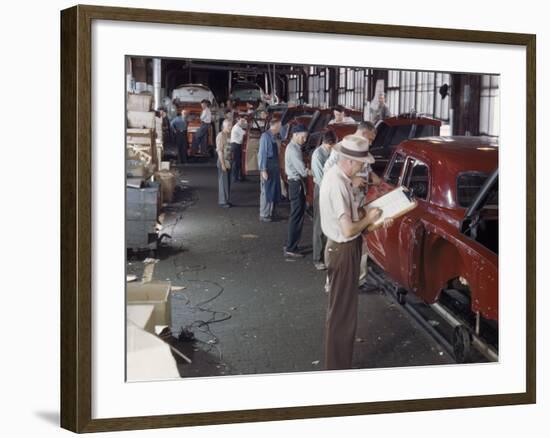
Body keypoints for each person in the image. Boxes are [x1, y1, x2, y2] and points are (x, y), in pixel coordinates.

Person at [320, 135, 392, 370]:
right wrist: (369, 218)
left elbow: (353, 220)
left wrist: (374, 219)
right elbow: (349, 228)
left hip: (340, 248)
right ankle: (337, 369)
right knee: (343, 315)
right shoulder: (339, 185)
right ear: (350, 161)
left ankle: (338, 365)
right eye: (361, 164)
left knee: (342, 312)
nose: (363, 169)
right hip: (343, 250)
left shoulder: (337, 177)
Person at [311, 130, 338, 270]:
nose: (332, 148)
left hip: (332, 190)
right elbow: (321, 179)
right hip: (321, 190)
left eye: (333, 146)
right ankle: (317, 258)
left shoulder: (334, 151)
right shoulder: (317, 155)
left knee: (330, 224)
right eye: (329, 146)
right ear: (324, 143)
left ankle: (329, 257)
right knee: (319, 225)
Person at [284, 124, 310, 258]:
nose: (304, 140)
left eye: (305, 137)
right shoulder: (294, 150)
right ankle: (291, 247)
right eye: (303, 137)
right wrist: (312, 171)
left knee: (296, 215)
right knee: (296, 216)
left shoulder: (294, 147)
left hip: (294, 183)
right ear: (295, 135)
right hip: (296, 184)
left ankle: (291, 243)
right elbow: (302, 171)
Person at [258, 118, 282, 222]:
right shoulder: (265, 136)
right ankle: (264, 214)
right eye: (280, 126)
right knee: (266, 191)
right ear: (275, 125)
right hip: (268, 166)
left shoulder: (273, 136)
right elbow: (262, 154)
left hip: (274, 166)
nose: (280, 128)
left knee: (273, 190)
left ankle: (271, 212)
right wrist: (263, 170)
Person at [216, 119, 233, 208]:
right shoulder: (221, 135)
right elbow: (219, 151)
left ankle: (226, 200)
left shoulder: (228, 134)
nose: (230, 127)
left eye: (231, 125)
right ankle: (223, 201)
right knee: (223, 182)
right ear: (224, 127)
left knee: (227, 182)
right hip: (223, 161)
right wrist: (222, 164)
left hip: (228, 161)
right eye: (229, 126)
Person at [230, 116, 248, 183]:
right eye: (241, 121)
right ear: (238, 120)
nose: (243, 122)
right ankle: (235, 178)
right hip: (235, 146)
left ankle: (240, 176)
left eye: (243, 121)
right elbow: (245, 133)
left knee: (239, 162)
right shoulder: (237, 127)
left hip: (237, 145)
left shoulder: (239, 127)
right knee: (236, 162)